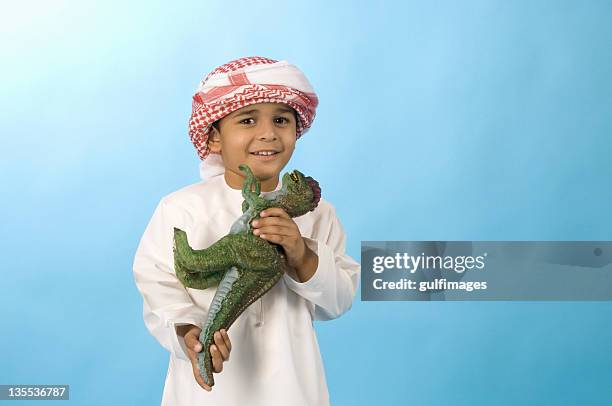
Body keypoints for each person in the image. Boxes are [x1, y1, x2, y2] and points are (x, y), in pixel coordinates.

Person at [132, 56, 360, 406]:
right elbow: (156, 283)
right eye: (248, 119)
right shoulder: (180, 207)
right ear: (214, 139)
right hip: (210, 393)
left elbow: (339, 299)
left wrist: (300, 253)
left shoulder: (319, 214)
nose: (268, 133)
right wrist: (187, 332)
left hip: (292, 387)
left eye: (282, 120)